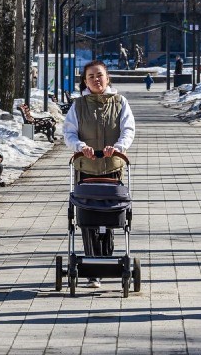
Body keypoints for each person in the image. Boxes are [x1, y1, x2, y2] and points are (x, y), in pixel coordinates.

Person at [63, 60, 136, 287]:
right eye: (91, 76)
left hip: (112, 168)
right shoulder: (78, 106)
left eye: (100, 75)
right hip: (86, 169)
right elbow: (69, 133)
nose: (96, 79)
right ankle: (93, 268)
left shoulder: (120, 102)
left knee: (110, 217)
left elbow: (128, 128)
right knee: (88, 219)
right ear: (85, 81)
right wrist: (80, 146)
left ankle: (106, 260)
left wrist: (119, 146)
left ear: (107, 78)